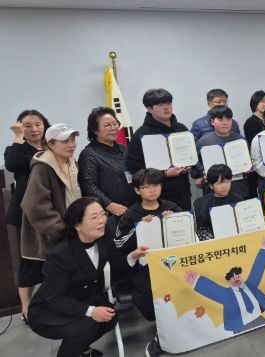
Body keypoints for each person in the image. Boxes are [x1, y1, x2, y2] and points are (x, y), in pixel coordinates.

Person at [28, 197, 148, 357]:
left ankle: (82, 349)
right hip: (48, 309)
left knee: (110, 317)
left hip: (82, 296)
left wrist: (132, 256)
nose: (102, 221)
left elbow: (115, 262)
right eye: (94, 217)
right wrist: (91, 311)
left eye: (103, 214)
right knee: (86, 326)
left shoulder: (103, 236)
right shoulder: (60, 254)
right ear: (77, 225)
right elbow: (55, 300)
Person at [114, 168, 181, 355]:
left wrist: (173, 221)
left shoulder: (172, 207)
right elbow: (119, 244)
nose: (152, 190)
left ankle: (182, 324)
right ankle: (164, 333)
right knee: (151, 292)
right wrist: (140, 228)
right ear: (137, 190)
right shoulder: (131, 214)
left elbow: (186, 233)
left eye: (156, 185)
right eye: (146, 187)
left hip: (172, 263)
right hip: (144, 267)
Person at [20, 123, 82, 322]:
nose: (71, 144)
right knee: (49, 278)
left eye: (73, 139)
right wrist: (59, 230)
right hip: (51, 235)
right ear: (51, 144)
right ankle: (37, 316)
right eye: (65, 141)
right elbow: (33, 205)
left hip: (71, 230)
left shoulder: (71, 161)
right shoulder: (42, 168)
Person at [183, 236, 265, 334]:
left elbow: (257, 269)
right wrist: (196, 280)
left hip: (260, 319)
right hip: (240, 326)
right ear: (229, 281)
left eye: (238, 276)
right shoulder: (227, 294)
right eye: (233, 277)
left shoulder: (250, 284)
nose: (236, 278)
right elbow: (213, 290)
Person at [125, 88, 192, 211]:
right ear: (149, 109)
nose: (166, 108)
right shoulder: (142, 134)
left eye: (169, 103)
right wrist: (164, 173)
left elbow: (190, 155)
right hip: (157, 196)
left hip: (183, 190)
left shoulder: (181, 129)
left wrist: (189, 164)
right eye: (160, 105)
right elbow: (133, 166)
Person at [78, 107, 133, 218]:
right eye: (107, 125)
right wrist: (109, 204)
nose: (113, 128)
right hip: (109, 213)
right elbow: (88, 186)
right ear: (95, 130)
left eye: (115, 123)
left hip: (132, 207)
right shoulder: (89, 154)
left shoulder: (123, 148)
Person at [4, 110, 49, 231]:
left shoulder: (53, 147)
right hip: (28, 208)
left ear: (44, 125)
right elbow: (11, 165)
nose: (34, 129)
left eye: (38, 124)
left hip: (51, 203)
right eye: (27, 126)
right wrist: (18, 136)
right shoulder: (15, 149)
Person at [192, 106, 250, 198]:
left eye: (228, 119)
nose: (225, 123)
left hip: (238, 186)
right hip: (213, 189)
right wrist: (202, 171)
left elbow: (249, 160)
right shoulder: (203, 142)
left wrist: (248, 166)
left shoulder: (241, 140)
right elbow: (195, 162)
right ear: (212, 122)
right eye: (220, 119)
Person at [193, 164, 244, 240]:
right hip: (215, 240)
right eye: (219, 183)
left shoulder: (237, 199)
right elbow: (202, 229)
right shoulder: (206, 203)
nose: (224, 186)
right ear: (211, 185)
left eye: (227, 182)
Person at [243, 90, 265, 198]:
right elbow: (254, 144)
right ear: (255, 103)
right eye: (262, 101)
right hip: (259, 162)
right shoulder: (251, 122)